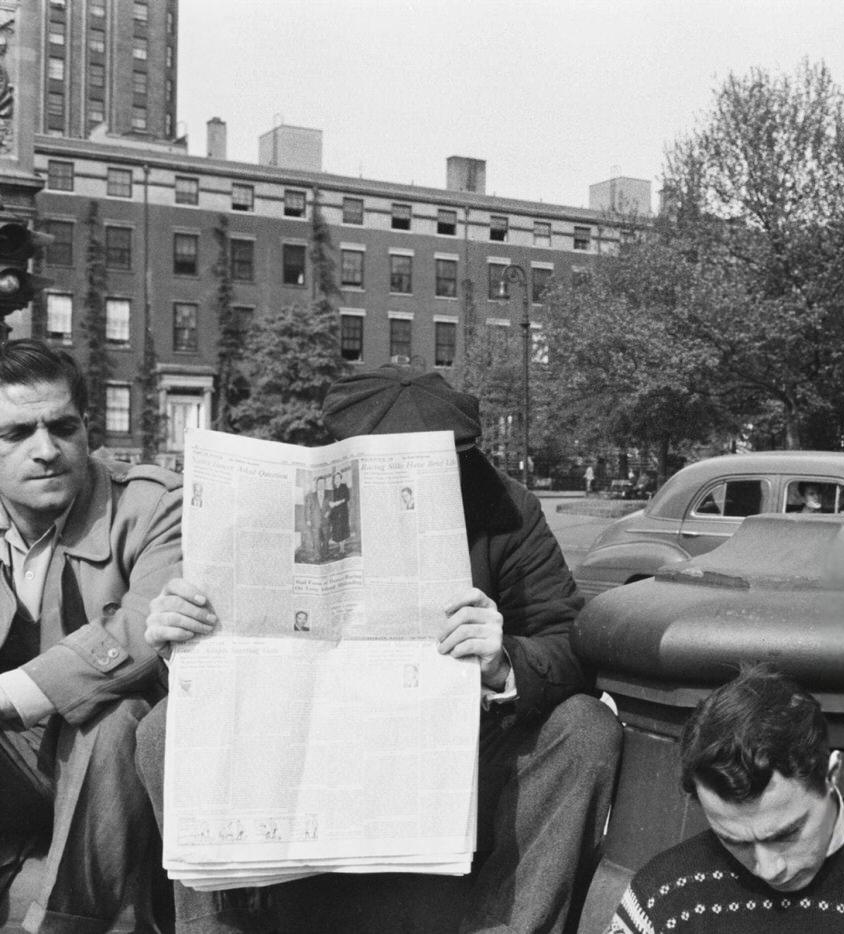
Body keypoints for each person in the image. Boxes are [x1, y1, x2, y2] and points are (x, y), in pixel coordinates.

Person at [136, 365, 621, 934]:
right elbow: (226, 668)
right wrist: (187, 644)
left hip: (456, 752)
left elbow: (570, 645)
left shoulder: (506, 508)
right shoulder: (279, 504)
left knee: (585, 729)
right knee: (162, 731)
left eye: (437, 462)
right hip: (311, 748)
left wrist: (504, 660)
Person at [0, 339, 181, 933]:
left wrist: (14, 695)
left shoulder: (154, 506)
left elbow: (140, 632)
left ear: (87, 430)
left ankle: (66, 924)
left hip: (118, 765)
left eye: (63, 427)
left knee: (115, 710)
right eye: (17, 434)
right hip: (16, 765)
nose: (45, 450)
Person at [606, 665, 844, 934]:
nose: (768, 868)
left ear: (831, 775)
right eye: (734, 841)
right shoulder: (664, 899)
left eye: (785, 835)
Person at [302, 477, 326, 562]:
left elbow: (330, 506)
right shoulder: (311, 496)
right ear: (316, 485)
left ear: (324, 484)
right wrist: (308, 520)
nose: (321, 485)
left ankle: (323, 553)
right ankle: (317, 556)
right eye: (319, 483)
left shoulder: (328, 494)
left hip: (326, 521)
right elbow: (307, 508)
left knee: (325, 538)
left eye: (323, 483)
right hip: (315, 520)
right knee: (316, 538)